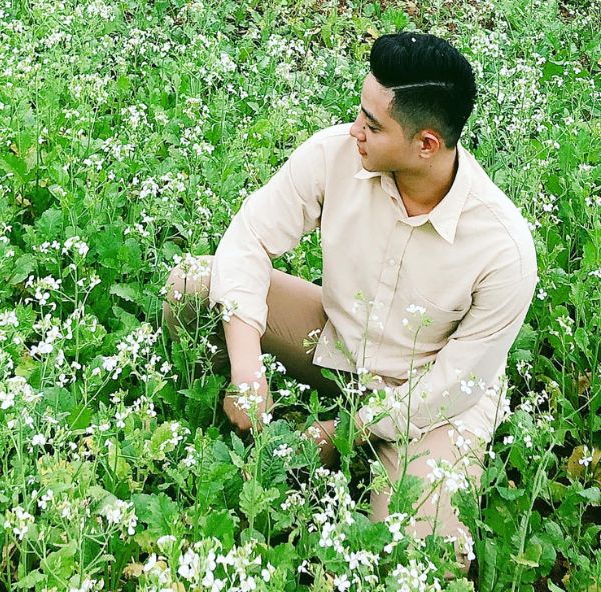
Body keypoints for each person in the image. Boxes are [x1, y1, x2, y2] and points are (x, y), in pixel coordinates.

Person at [162, 31, 538, 577]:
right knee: (191, 285)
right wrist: (247, 373)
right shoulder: (336, 153)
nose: (355, 129)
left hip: (430, 400)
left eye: (373, 124)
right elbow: (249, 240)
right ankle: (229, 410)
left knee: (416, 559)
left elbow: (455, 385)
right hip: (339, 342)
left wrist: (346, 430)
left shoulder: (503, 248)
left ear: (426, 144)